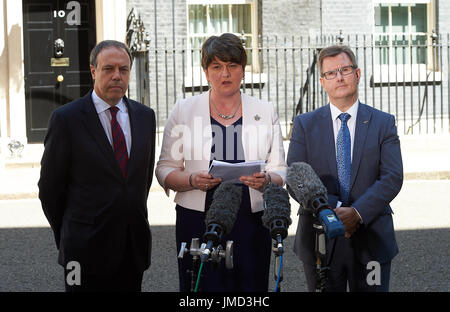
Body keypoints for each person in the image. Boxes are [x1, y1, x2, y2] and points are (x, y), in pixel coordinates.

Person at [156, 33, 287, 292]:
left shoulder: (265, 110)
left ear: (242, 70)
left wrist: (268, 179)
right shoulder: (184, 109)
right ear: (206, 72)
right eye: (216, 66)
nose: (224, 73)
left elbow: (280, 168)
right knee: (202, 288)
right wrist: (191, 180)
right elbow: (164, 169)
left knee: (250, 288)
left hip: (251, 219)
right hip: (198, 218)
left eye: (232, 65)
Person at [38, 40, 156, 292]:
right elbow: (50, 189)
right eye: (108, 69)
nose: (116, 76)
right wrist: (71, 234)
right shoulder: (66, 119)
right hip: (82, 252)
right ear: (93, 71)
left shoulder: (146, 117)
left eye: (123, 70)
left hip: (131, 249)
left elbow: (140, 182)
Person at [287, 45, 403, 292]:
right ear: (322, 82)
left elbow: (392, 177)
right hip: (320, 239)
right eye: (331, 73)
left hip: (372, 239)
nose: (339, 77)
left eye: (345, 70)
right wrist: (337, 210)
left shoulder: (383, 122)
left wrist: (357, 213)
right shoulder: (304, 125)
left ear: (357, 74)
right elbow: (295, 177)